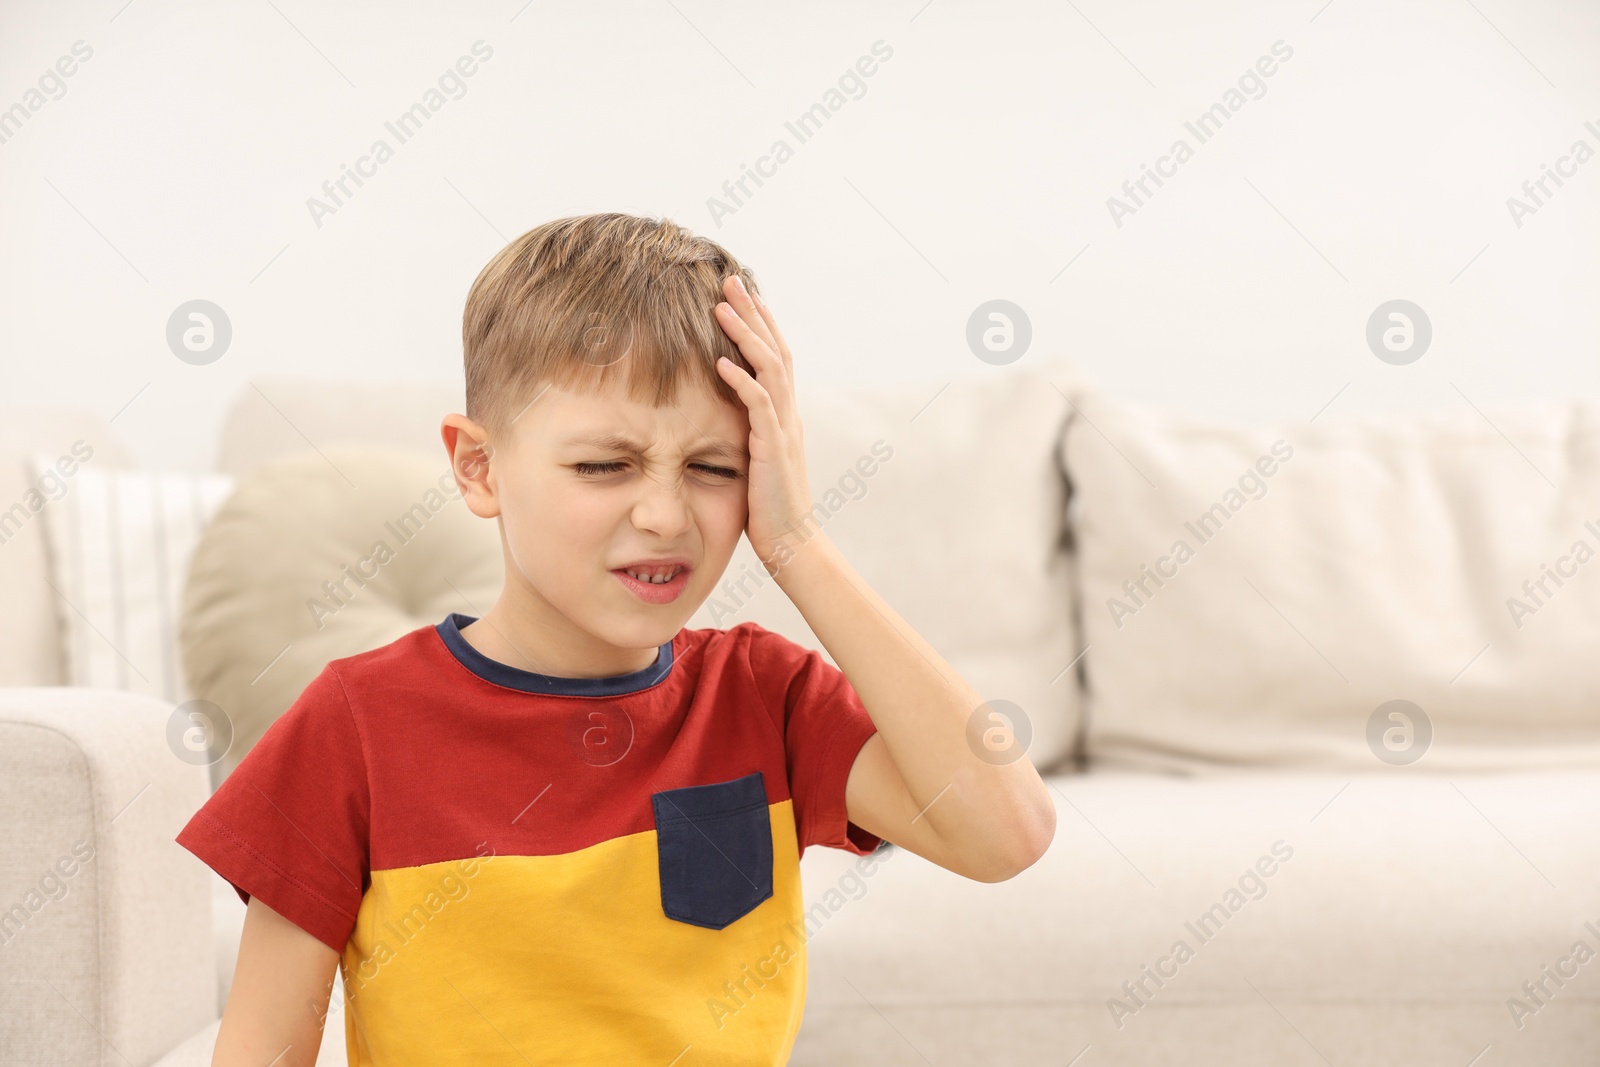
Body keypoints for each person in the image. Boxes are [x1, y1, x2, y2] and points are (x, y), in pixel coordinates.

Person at [176, 212, 1056, 1065]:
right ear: (478, 467)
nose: (664, 514)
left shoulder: (763, 695)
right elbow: (260, 1052)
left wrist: (798, 545)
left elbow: (1006, 830)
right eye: (605, 465)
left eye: (714, 468)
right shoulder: (354, 723)